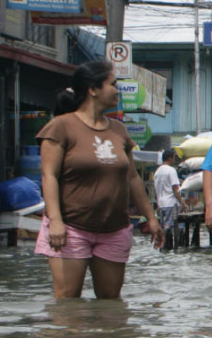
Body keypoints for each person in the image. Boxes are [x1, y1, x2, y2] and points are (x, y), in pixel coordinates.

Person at [34, 62, 164, 299]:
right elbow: (49, 176)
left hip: (113, 228)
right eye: (113, 85)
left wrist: (151, 218)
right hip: (71, 227)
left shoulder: (119, 130)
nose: (118, 90)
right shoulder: (60, 127)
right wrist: (55, 220)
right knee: (67, 303)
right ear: (93, 89)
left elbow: (132, 177)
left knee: (110, 304)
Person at [152, 149, 183, 252]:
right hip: (171, 203)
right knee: (169, 226)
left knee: (164, 225)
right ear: (170, 158)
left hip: (161, 203)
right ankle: (167, 246)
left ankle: (164, 248)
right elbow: (175, 189)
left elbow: (155, 190)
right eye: (174, 157)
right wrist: (183, 203)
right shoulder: (171, 170)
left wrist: (158, 204)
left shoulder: (157, 172)